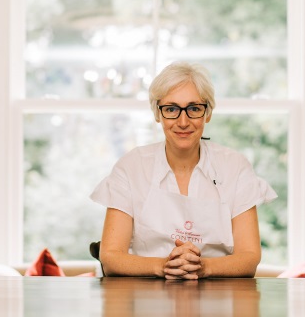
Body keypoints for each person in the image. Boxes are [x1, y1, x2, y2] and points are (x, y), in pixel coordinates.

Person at [91, 62, 277, 278]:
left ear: (207, 113)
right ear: (157, 114)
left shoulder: (235, 167)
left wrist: (203, 267)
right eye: (171, 109)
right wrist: (163, 266)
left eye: (194, 109)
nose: (183, 121)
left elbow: (250, 256)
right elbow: (111, 256)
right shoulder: (131, 166)